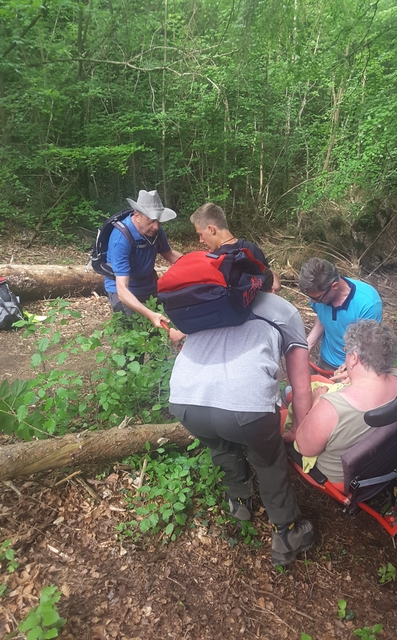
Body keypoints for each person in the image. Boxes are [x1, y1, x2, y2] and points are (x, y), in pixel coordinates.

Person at [168, 276, 314, 566]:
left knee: (221, 443)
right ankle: (286, 534)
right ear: (267, 282)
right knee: (268, 458)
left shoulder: (210, 299)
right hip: (246, 409)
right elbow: (301, 385)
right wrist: (300, 427)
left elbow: (178, 336)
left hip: (185, 400)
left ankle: (239, 502)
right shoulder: (283, 310)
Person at [287, 320, 397, 485]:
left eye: (346, 351)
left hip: (343, 477)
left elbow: (304, 448)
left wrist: (317, 400)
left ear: (354, 358)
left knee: (285, 414)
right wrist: (355, 376)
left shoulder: (329, 409)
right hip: (383, 461)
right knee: (318, 380)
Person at [104, 189, 182, 328]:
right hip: (122, 289)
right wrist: (150, 314)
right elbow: (122, 290)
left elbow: (168, 254)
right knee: (134, 335)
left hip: (148, 285)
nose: (156, 226)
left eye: (158, 220)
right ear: (137, 215)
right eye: (151, 221)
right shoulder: (121, 239)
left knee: (157, 332)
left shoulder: (155, 230)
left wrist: (198, 263)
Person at [298, 258, 382, 370]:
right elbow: (322, 319)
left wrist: (349, 368)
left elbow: (369, 345)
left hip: (356, 365)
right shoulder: (318, 296)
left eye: (317, 298)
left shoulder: (368, 302)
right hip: (326, 361)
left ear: (335, 286)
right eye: (311, 297)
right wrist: (307, 346)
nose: (313, 302)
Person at [190, 202, 281, 292]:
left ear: (211, 229)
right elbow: (276, 285)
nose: (201, 240)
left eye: (201, 234)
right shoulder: (250, 247)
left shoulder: (216, 261)